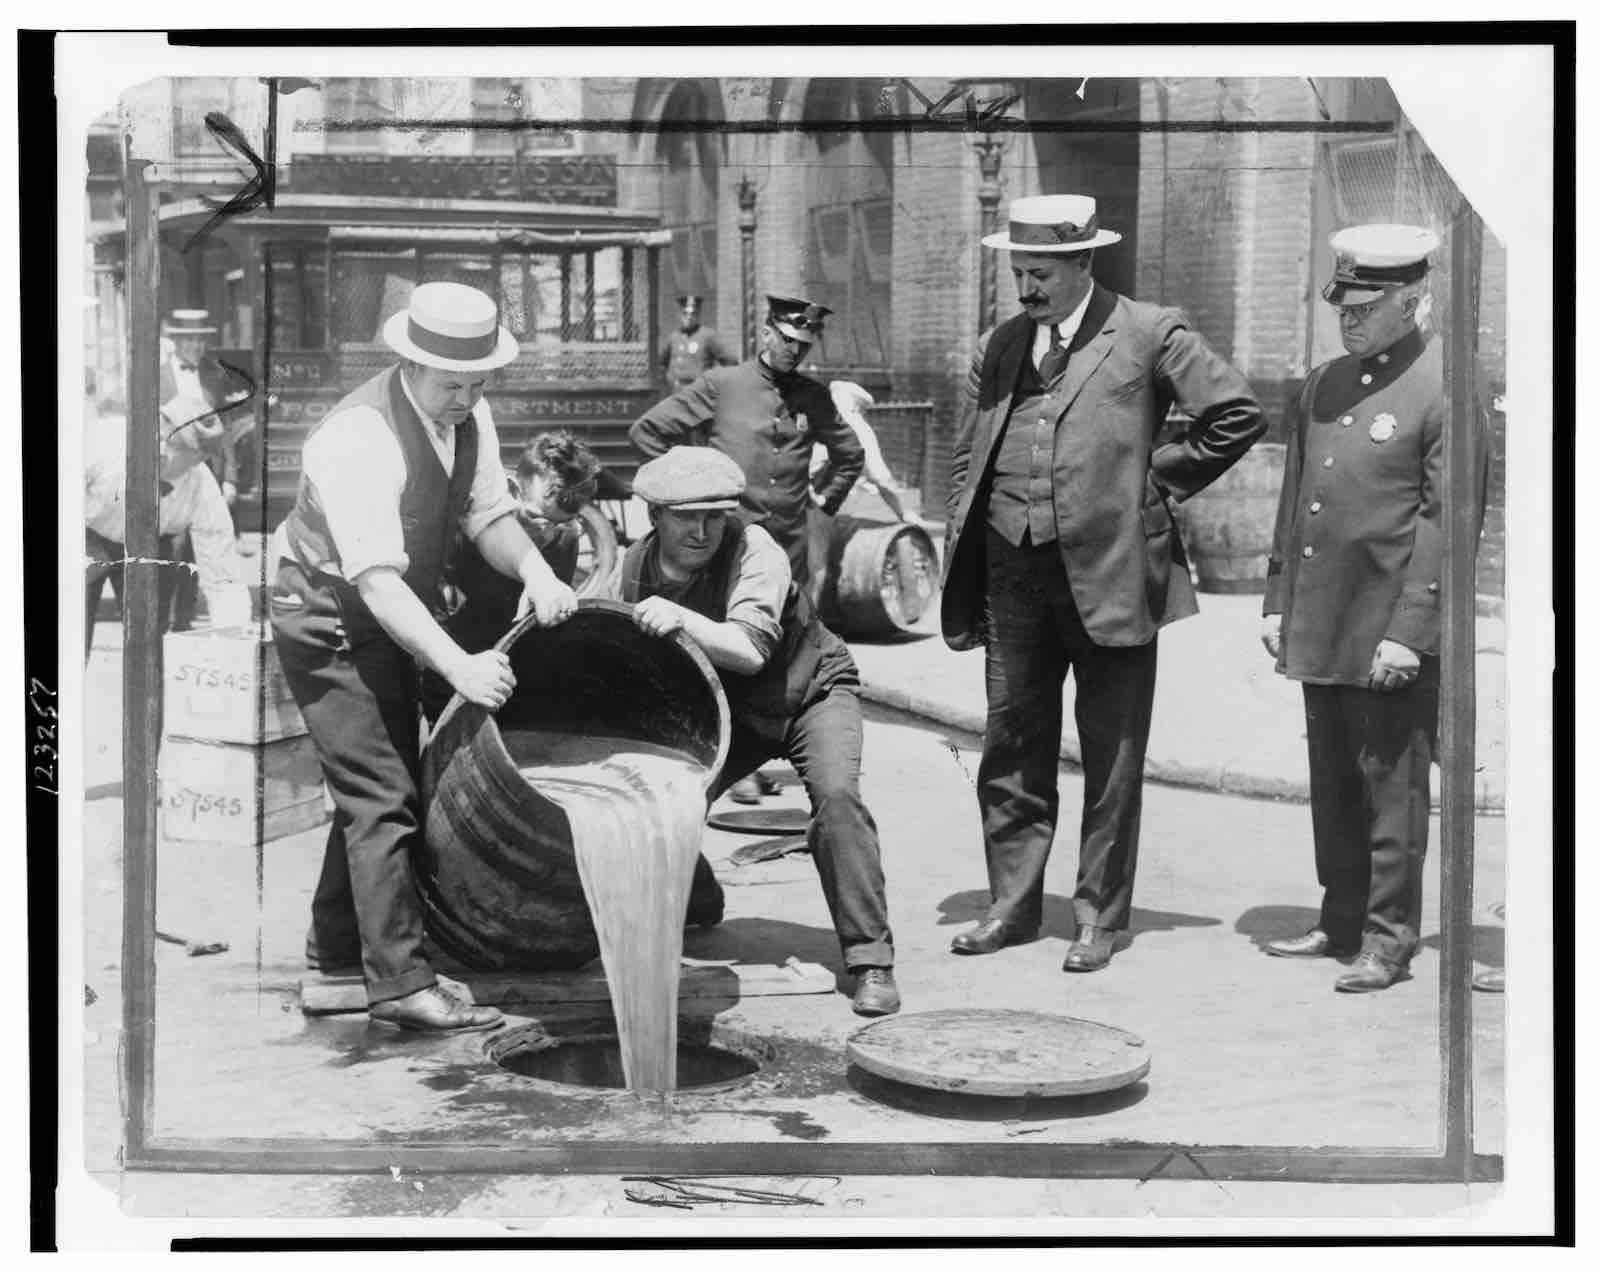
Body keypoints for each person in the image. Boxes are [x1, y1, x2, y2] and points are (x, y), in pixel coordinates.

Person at [941, 194, 1265, 972]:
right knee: (1011, 744)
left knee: (1112, 754)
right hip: (1013, 572)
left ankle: (1099, 917)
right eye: (1019, 272)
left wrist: (1153, 484)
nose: (1028, 288)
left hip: (1113, 570)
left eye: (1042, 273)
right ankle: (1012, 908)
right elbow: (971, 450)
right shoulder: (1005, 341)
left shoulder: (1151, 330)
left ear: (1085, 262)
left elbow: (1235, 414)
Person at [268, 281, 578, 1034]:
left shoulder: (468, 415)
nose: (465, 399)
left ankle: (337, 962)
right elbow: (377, 584)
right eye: (451, 385)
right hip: (326, 611)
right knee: (382, 794)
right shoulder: (357, 437)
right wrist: (458, 666)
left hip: (380, 606)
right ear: (409, 362)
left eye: (478, 384)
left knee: (383, 785)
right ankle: (401, 982)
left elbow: (488, 514)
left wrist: (536, 570)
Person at [597, 447, 900, 1017]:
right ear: (654, 516)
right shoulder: (632, 567)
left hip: (810, 691)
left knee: (837, 801)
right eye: (686, 516)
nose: (703, 530)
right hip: (733, 710)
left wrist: (680, 616)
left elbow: (750, 650)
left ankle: (870, 958)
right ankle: (700, 895)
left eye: (715, 515)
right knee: (663, 797)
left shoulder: (755, 549)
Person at [1261, 223, 1485, 994]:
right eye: (1343, 304)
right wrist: (1275, 598)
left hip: (1388, 625)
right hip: (1323, 619)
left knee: (1391, 785)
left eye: (1366, 304)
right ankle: (1343, 918)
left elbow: (1447, 522)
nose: (1348, 318)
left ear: (1412, 299)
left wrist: (1412, 632)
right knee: (1333, 781)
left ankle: (1390, 938)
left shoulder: (1444, 387)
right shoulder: (1324, 383)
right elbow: (1299, 501)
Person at [630, 294, 865, 589]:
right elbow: (647, 432)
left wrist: (827, 500)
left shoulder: (814, 397)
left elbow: (851, 454)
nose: (795, 350)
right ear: (766, 335)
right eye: (787, 340)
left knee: (790, 625)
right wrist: (687, 493)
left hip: (788, 546)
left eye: (804, 344)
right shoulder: (722, 384)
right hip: (726, 543)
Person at [419, 430, 604, 721]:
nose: (546, 535)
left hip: (507, 668)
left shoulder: (565, 539)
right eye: (535, 519)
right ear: (513, 492)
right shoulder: (465, 530)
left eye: (560, 525)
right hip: (449, 657)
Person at [84, 381, 254, 658]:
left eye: (173, 448)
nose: (160, 450)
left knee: (149, 650)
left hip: (149, 548)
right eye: (159, 437)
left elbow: (221, 571)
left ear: (199, 457)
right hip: (86, 537)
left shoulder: (202, 487)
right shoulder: (103, 442)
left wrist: (234, 642)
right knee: (69, 642)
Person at [660, 294, 735, 389]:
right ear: (679, 315)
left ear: (698, 315)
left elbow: (730, 360)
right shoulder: (673, 337)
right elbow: (661, 363)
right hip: (677, 391)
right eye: (685, 313)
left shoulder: (708, 336)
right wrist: (666, 382)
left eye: (693, 314)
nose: (689, 317)